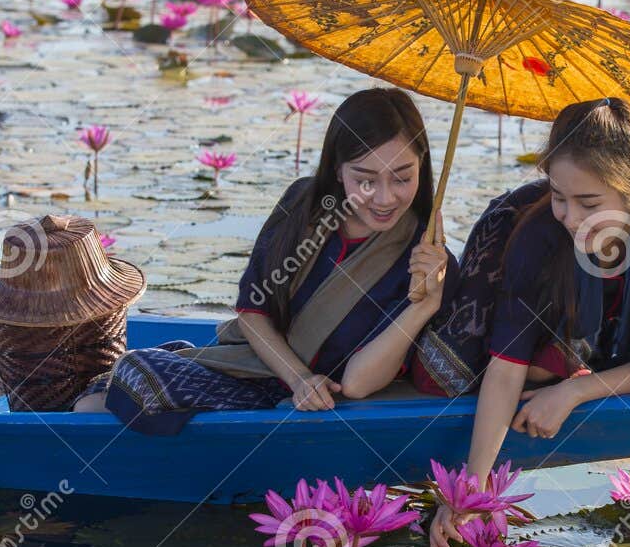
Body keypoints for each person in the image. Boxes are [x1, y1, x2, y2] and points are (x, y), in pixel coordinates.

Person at [419, 95, 630, 547]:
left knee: (565, 366)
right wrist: (471, 490)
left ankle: (566, 365)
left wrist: (575, 391)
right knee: (450, 376)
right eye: (559, 196)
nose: (571, 217)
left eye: (589, 202)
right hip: (517, 303)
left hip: (601, 346)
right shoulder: (536, 230)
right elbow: (505, 371)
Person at [73, 87, 456, 433]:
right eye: (366, 178)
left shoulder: (423, 257)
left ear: (422, 166)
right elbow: (253, 313)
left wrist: (424, 305)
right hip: (269, 367)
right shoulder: (305, 205)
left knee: (131, 379)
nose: (385, 197)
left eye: (403, 178)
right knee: (102, 391)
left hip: (319, 400)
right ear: (338, 170)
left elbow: (357, 384)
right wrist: (300, 378)